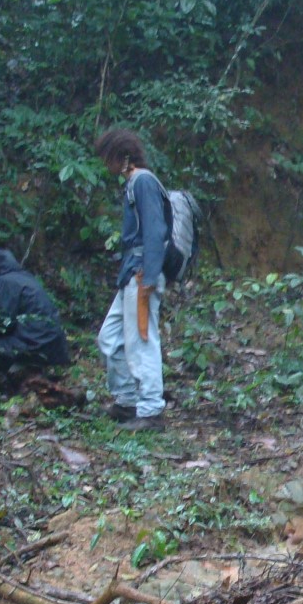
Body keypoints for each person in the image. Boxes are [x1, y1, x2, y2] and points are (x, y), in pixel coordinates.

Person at [93, 127, 170, 431]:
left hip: (142, 274)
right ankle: (126, 402)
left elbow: (155, 231)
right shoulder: (133, 184)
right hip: (132, 273)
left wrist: (149, 278)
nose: (105, 165)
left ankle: (151, 412)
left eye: (107, 158)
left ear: (121, 156)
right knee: (110, 337)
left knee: (141, 341)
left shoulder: (143, 181)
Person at [0, 247, 71, 379]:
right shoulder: (24, 277)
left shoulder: (1, 282)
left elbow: (3, 325)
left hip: (34, 344)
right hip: (53, 346)